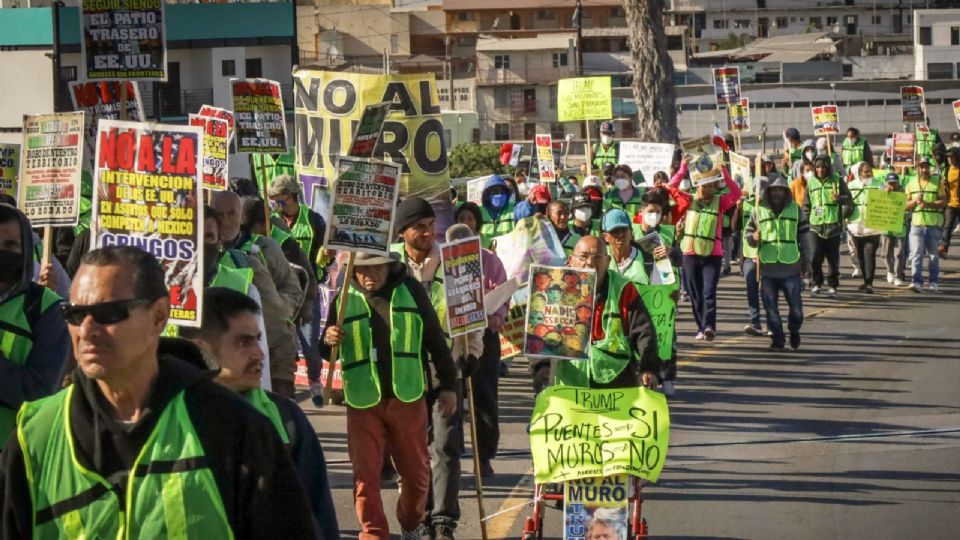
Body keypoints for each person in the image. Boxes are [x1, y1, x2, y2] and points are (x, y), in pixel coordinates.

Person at [1, 246, 317, 538]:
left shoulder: (231, 427)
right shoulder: (36, 434)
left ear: (159, 316)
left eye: (109, 313)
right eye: (73, 314)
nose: (86, 330)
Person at [181, 288, 339, 540]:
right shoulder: (167, 419)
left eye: (258, 339)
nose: (259, 354)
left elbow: (319, 515)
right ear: (202, 349)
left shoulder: (286, 418)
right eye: (243, 342)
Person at [320, 251, 458, 540]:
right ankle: (373, 533)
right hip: (362, 400)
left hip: (407, 398)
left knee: (416, 475)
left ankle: (410, 523)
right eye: (359, 269)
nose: (366, 275)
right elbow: (325, 347)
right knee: (365, 476)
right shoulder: (344, 297)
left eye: (374, 267)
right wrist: (328, 339)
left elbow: (434, 338)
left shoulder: (411, 290)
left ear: (389, 265)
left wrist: (449, 385)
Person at [389, 198, 463, 540]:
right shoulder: (386, 264)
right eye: (419, 226)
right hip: (403, 374)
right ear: (402, 231)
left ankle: (444, 521)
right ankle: (416, 518)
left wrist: (471, 354)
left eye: (431, 225)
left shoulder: (454, 262)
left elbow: (469, 312)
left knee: (445, 446)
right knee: (411, 452)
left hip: (446, 368)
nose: (427, 232)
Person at [212, 191, 303, 396]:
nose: (226, 220)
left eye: (231, 214)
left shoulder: (265, 248)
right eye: (219, 214)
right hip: (227, 360)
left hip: (276, 350)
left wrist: (277, 310)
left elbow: (293, 288)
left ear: (242, 216)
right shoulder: (204, 256)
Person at [0, 204, 70, 446]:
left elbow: (39, 395)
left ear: (27, 250)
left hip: (12, 458)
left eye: (10, 246)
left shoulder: (45, 309)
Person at [244, 196, 324, 403]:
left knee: (309, 346)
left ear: (262, 225)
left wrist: (282, 311)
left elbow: (300, 278)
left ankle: (315, 384)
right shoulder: (225, 247)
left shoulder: (275, 243)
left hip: (280, 333)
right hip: (248, 342)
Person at [554, 236, 659, 389]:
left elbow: (644, 331)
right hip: (569, 382)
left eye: (597, 257)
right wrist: (541, 371)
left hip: (616, 379)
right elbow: (539, 337)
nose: (590, 263)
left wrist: (648, 369)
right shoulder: (553, 289)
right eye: (583, 257)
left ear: (608, 261)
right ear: (571, 261)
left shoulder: (623, 289)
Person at [445, 224, 507, 477]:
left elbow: (502, 294)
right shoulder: (443, 261)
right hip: (452, 338)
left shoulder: (489, 260)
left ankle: (483, 457)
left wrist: (496, 316)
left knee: (483, 398)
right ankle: (452, 455)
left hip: (485, 338)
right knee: (452, 400)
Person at [670, 156, 742, 341]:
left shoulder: (720, 202)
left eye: (711, 185)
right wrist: (683, 167)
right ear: (697, 186)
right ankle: (701, 326)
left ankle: (710, 326)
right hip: (690, 253)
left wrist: (724, 172)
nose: (708, 189)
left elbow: (736, 193)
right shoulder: (688, 200)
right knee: (695, 293)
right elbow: (670, 189)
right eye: (704, 185)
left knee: (709, 292)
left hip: (713, 254)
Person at [745, 174, 808, 351]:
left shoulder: (796, 210)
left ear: (786, 192)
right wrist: (753, 237)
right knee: (771, 309)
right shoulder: (758, 211)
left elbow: (805, 238)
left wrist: (807, 262)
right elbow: (748, 235)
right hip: (768, 269)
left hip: (791, 267)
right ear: (768, 192)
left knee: (797, 309)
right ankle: (778, 340)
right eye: (774, 190)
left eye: (781, 190)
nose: (778, 193)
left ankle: (794, 331)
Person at [804, 155, 852, 296]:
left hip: (833, 226)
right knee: (815, 256)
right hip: (815, 226)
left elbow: (849, 199)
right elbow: (806, 205)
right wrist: (806, 222)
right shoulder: (811, 182)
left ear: (828, 167)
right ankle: (817, 283)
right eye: (817, 167)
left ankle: (833, 285)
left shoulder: (837, 180)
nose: (820, 169)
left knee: (832, 258)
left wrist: (839, 199)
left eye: (823, 166)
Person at [736, 161, 769, 337]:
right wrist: (738, 209)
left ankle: (772, 321)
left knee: (767, 291)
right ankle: (754, 321)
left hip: (768, 256)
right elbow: (735, 227)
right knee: (751, 289)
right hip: (749, 255)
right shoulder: (747, 204)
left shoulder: (773, 207)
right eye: (757, 187)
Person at [905, 157, 948, 292]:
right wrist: (914, 201)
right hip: (917, 224)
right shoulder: (911, 183)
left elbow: (944, 201)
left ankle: (933, 281)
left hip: (933, 224)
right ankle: (916, 281)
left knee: (933, 255)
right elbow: (905, 205)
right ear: (916, 169)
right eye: (921, 167)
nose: (924, 169)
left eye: (926, 167)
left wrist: (928, 204)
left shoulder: (937, 182)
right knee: (916, 253)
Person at [846, 162, 885, 293]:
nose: (869, 174)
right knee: (860, 255)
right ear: (859, 173)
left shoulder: (879, 184)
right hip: (856, 227)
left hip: (873, 226)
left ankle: (869, 283)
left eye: (870, 171)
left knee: (869, 252)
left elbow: (889, 200)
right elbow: (845, 202)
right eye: (866, 172)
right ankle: (865, 280)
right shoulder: (851, 186)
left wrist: (890, 191)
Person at [880, 172, 908, 287]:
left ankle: (898, 275)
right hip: (886, 227)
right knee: (885, 253)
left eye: (894, 183)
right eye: (890, 183)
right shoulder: (882, 190)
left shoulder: (904, 192)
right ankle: (890, 270)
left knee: (899, 253)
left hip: (899, 226)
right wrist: (884, 193)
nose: (892, 185)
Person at [478, 175, 515, 249]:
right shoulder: (478, 211)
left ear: (507, 194)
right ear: (487, 194)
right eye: (495, 191)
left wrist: (530, 205)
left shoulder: (514, 207)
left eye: (502, 191)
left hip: (509, 257)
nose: (499, 194)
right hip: (486, 257)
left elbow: (523, 209)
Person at [938, 148, 960, 257]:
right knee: (947, 226)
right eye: (948, 157)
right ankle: (944, 248)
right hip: (951, 203)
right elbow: (942, 187)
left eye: (952, 157)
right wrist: (942, 183)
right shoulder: (946, 170)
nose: (950, 159)